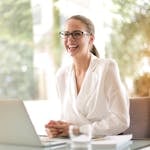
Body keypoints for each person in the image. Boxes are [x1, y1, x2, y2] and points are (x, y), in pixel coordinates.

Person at [45, 15, 130, 138]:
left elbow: (121, 121)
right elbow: (68, 120)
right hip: (74, 144)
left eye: (77, 34)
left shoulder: (106, 68)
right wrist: (57, 129)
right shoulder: (61, 75)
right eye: (66, 34)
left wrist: (78, 130)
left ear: (91, 39)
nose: (70, 39)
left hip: (103, 144)